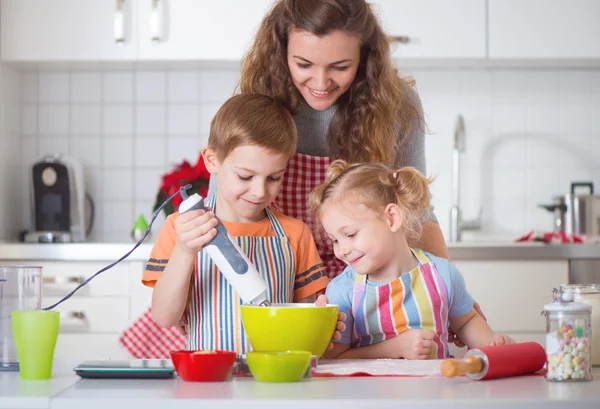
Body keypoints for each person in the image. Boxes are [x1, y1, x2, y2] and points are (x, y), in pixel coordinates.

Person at [238, 0, 484, 346]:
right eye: (303, 64)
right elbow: (235, 201)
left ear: (365, 57)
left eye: (340, 66)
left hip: (370, 292)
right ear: (282, 52)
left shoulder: (397, 106)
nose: (320, 82)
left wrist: (447, 291)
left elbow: (417, 210)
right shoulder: (261, 103)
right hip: (282, 285)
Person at [143, 93, 330, 354]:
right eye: (245, 176)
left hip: (276, 382)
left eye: (274, 178)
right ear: (212, 161)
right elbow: (164, 317)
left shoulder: (295, 234)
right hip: (208, 384)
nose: (259, 192)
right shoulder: (181, 229)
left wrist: (322, 320)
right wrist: (185, 251)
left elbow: (308, 314)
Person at [310, 160, 514, 359]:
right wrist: (395, 348)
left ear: (392, 218)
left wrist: (494, 347)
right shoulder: (342, 290)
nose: (341, 250)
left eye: (351, 234)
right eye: (334, 240)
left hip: (437, 390)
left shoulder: (442, 274)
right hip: (369, 394)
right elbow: (336, 357)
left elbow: (466, 322)